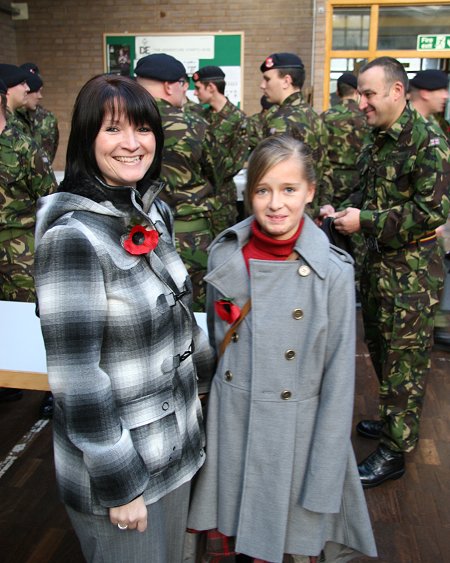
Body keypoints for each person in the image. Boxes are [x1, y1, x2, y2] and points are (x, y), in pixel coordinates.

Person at [33, 74, 214, 563]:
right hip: (123, 469)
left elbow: (180, 315)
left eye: (143, 128)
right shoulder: (72, 237)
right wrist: (121, 484)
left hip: (173, 449)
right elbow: (76, 380)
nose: (133, 144)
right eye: (113, 129)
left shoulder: (152, 212)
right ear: (87, 138)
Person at [188, 135, 377, 563]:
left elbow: (339, 380)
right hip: (232, 424)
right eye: (263, 190)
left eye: (289, 190)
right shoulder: (226, 252)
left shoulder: (332, 271)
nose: (276, 204)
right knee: (234, 543)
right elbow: (220, 344)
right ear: (248, 193)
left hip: (297, 434)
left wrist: (325, 472)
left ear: (310, 192)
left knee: (287, 545)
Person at [333, 57, 450, 487]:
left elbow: (429, 212)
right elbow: (369, 190)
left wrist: (363, 220)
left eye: (369, 94)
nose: (361, 103)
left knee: (406, 363)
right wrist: (343, 207)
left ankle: (395, 451)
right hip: (379, 267)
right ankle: (391, 422)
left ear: (397, 92)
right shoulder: (378, 138)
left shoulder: (428, 144)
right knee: (382, 351)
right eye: (360, 93)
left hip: (412, 275)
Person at [135, 53, 223, 311]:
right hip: (191, 235)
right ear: (169, 86)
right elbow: (217, 172)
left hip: (138, 236)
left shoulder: (123, 123)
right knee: (194, 312)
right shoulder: (195, 124)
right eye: (183, 85)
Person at [0, 64, 56, 404]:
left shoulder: (23, 147)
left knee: (34, 318)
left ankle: (51, 385)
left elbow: (47, 200)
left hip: (20, 251)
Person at [248, 52, 334, 217]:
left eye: (267, 79)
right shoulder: (314, 116)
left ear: (286, 81)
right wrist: (320, 209)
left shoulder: (280, 120)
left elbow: (273, 177)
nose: (262, 85)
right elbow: (326, 169)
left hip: (286, 215)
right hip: (307, 210)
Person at [409, 69, 450, 352]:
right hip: (418, 233)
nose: (446, 96)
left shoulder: (431, 127)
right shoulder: (417, 130)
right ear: (424, 91)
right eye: (441, 90)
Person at [192, 65, 248, 233]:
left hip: (222, 200)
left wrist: (208, 175)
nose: (195, 93)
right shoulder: (200, 116)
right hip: (200, 198)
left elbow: (236, 162)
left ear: (211, 87)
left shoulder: (238, 118)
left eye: (198, 88)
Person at [321, 72, 371, 207]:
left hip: (333, 179)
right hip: (360, 179)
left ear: (337, 92)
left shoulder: (326, 117)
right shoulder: (368, 116)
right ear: (357, 92)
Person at [19, 63, 60, 163]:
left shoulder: (48, 118)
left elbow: (51, 151)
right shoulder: (9, 119)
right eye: (36, 91)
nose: (40, 96)